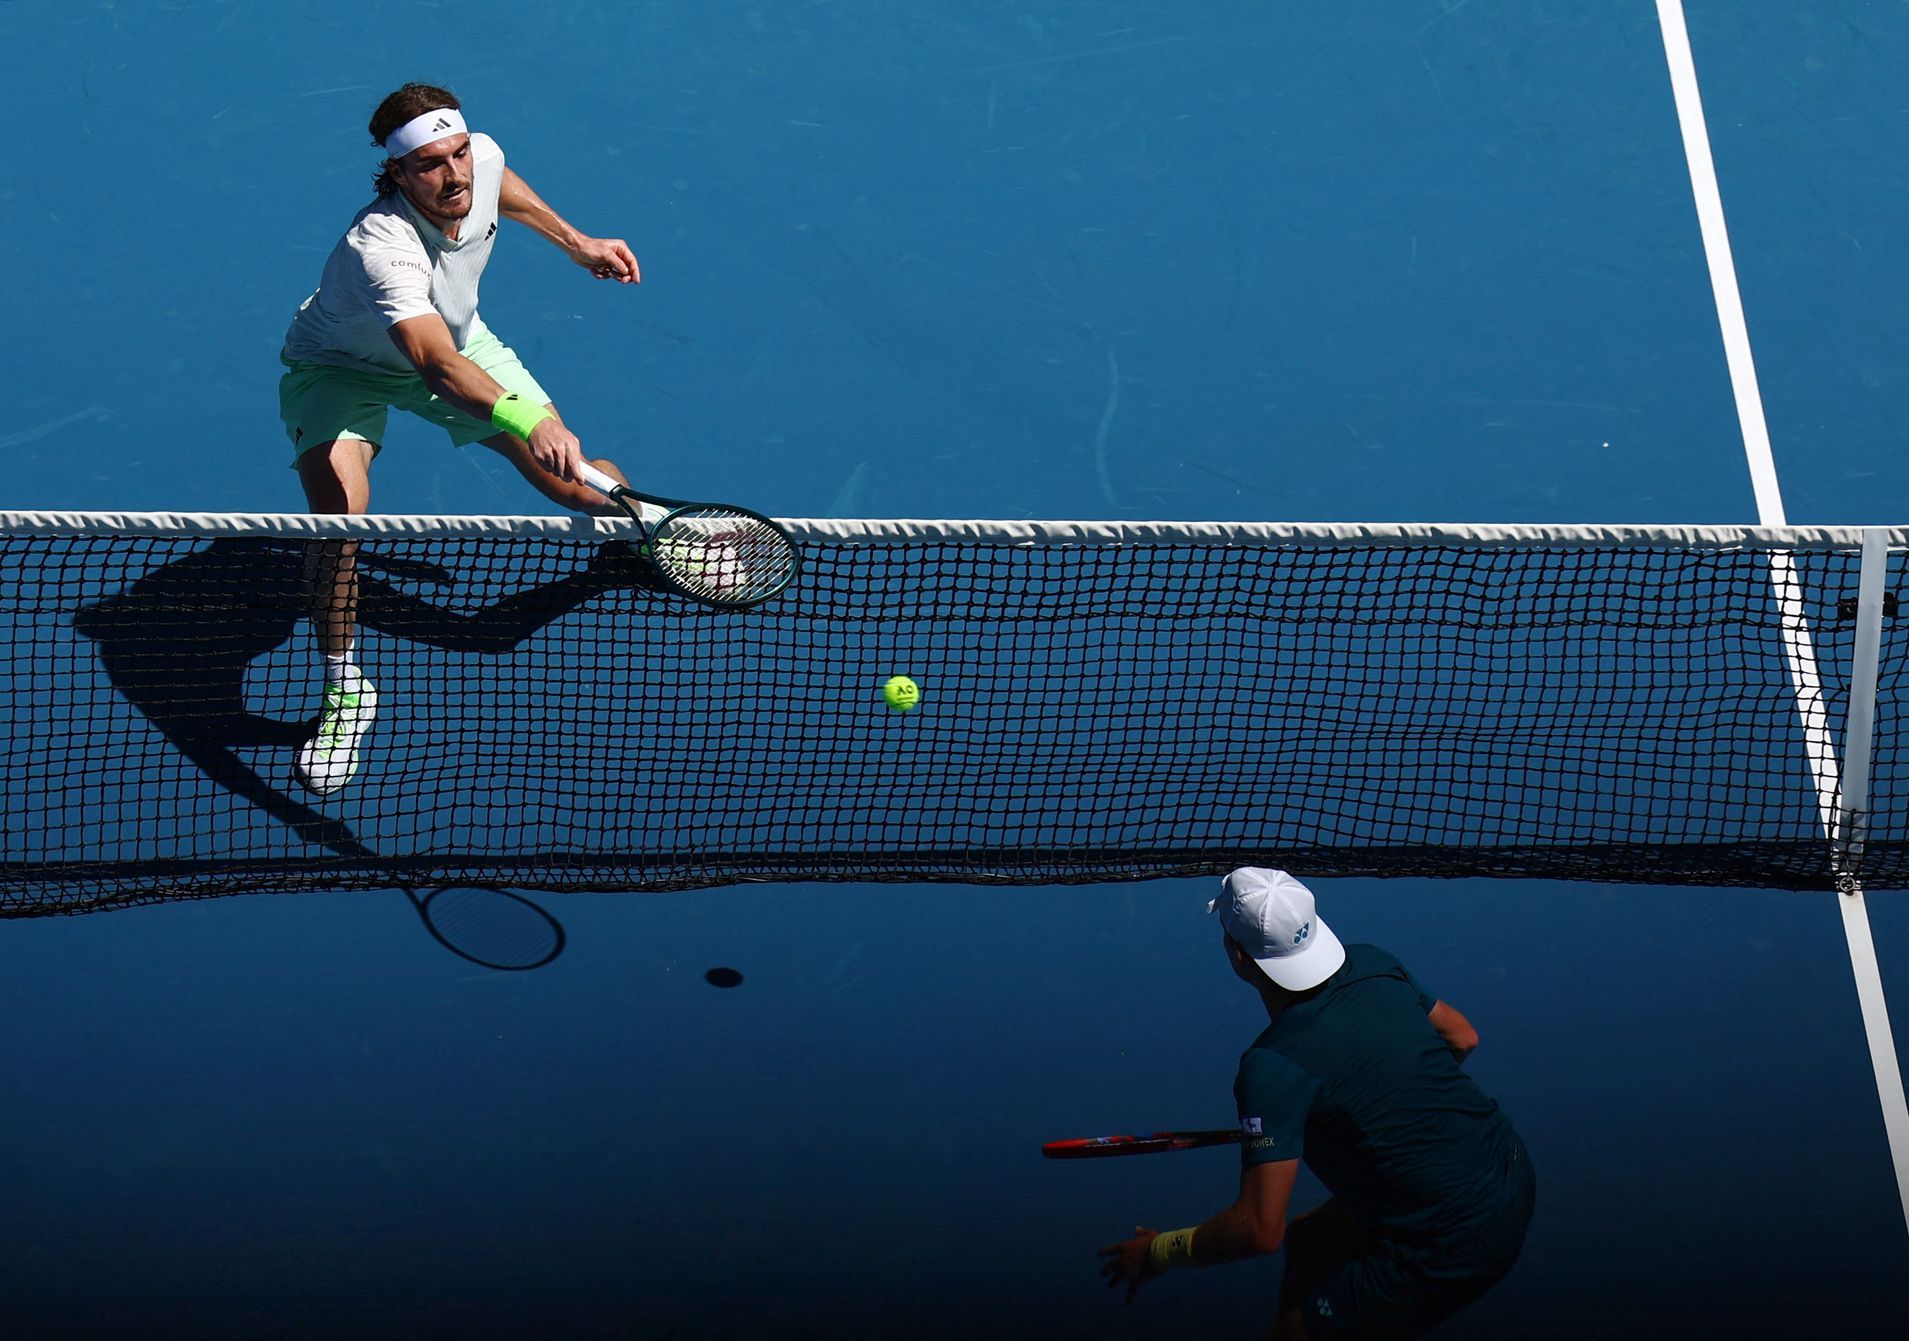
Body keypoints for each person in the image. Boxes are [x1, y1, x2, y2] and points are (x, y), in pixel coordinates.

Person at [277, 81, 641, 795]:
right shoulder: (380, 248)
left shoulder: (480, 161)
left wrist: (577, 242)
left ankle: (646, 524)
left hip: (462, 344)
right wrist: (524, 418)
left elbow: (501, 185)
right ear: (397, 173)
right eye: (432, 166)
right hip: (345, 370)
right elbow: (435, 367)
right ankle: (346, 686)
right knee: (337, 521)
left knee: (576, 487)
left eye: (460, 153)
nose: (456, 176)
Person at [1098, 868, 1535, 1338]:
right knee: (1310, 1240)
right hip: (1509, 1167)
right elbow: (1462, 1037)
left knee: (1296, 1331)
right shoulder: (1372, 963)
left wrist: (1161, 1251)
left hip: (1458, 1240)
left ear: (1240, 957)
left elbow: (1259, 1231)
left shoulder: (1272, 1068)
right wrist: (1390, 1102)